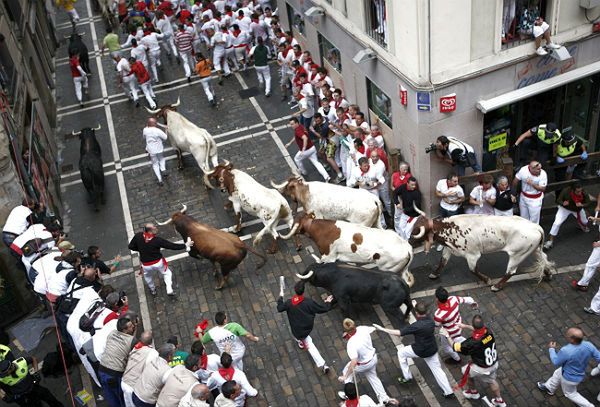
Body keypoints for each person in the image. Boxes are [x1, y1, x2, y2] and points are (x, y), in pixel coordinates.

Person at [374, 302, 454, 398]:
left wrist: (383, 329)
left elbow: (399, 332)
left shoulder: (416, 326)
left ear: (416, 313)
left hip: (420, 350)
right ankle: (448, 392)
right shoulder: (431, 321)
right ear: (427, 312)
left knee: (401, 353)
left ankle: (407, 377)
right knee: (438, 371)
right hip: (432, 349)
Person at [337, 319, 398, 406]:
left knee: (347, 371)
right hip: (373, 359)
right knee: (373, 378)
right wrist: (380, 328)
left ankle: (348, 394)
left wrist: (345, 376)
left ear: (347, 331)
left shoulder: (351, 344)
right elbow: (373, 328)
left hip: (362, 365)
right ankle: (384, 398)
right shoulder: (362, 328)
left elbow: (354, 362)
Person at [277, 280, 333, 374]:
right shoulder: (309, 302)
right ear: (303, 291)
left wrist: (281, 297)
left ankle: (301, 343)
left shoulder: (289, 303)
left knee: (304, 342)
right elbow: (323, 309)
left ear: (295, 291)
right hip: (307, 328)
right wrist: (327, 302)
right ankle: (323, 365)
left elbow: (279, 308)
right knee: (309, 345)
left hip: (296, 330)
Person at [537, 327, 600, 407]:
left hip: (569, 377)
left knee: (571, 394)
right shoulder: (589, 345)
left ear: (572, 339)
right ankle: (549, 387)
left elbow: (556, 362)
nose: (566, 336)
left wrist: (552, 349)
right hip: (576, 371)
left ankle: (588, 406)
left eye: (568, 335)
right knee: (557, 373)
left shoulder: (566, 350)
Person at [452, 315, 506, 407]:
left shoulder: (472, 342)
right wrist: (465, 326)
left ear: (473, 325)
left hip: (482, 367)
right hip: (494, 363)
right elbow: (477, 329)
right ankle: (499, 400)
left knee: (466, 372)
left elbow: (456, 347)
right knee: (492, 381)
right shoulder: (488, 331)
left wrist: (447, 336)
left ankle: (473, 393)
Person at [128, 222, 193, 295]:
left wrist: (141, 249)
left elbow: (130, 246)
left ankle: (153, 290)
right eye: (154, 227)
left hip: (146, 265)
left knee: (147, 276)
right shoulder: (157, 240)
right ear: (150, 231)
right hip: (158, 263)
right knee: (167, 273)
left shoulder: (138, 236)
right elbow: (172, 246)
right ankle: (169, 288)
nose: (156, 227)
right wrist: (186, 245)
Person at [98, 317, 137, 407]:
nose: (133, 327)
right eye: (131, 326)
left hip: (101, 369)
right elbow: (133, 344)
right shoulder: (132, 341)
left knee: (110, 396)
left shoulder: (111, 334)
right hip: (114, 375)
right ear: (124, 330)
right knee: (121, 398)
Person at [433, 286, 477, 363]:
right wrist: (473, 302)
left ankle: (457, 359)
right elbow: (467, 299)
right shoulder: (453, 299)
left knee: (447, 348)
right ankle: (470, 346)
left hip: (449, 332)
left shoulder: (438, 314)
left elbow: (437, 324)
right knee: (458, 339)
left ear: (437, 299)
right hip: (459, 325)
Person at [544, 183, 590, 251]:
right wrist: (563, 203)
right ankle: (550, 241)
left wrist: (582, 205)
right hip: (565, 209)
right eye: (578, 191)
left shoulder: (584, 193)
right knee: (557, 223)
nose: (580, 193)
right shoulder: (566, 191)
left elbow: (588, 203)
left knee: (585, 221)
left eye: (580, 191)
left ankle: (582, 225)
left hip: (577, 210)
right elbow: (558, 200)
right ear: (573, 190)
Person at [285, 117, 331, 182]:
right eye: (290, 124)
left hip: (306, 151)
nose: (291, 126)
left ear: (296, 123)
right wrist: (289, 143)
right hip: (312, 148)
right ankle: (327, 177)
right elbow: (296, 136)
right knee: (316, 163)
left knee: (297, 159)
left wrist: (303, 149)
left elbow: (305, 138)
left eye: (292, 124)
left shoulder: (297, 130)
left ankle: (303, 172)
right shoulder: (300, 126)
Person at [347, 157, 388, 229]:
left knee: (378, 207)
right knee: (364, 208)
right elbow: (349, 183)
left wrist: (376, 183)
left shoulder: (373, 169)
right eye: (364, 166)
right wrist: (358, 183)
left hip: (373, 190)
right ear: (360, 166)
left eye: (367, 165)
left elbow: (382, 179)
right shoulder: (355, 171)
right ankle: (366, 224)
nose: (366, 167)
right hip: (362, 191)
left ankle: (383, 225)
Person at [121, 331, 155, 407]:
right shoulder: (152, 353)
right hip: (133, 386)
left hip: (124, 382)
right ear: (151, 341)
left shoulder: (135, 348)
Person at [142, 118, 169, 186]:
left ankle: (160, 180)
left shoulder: (145, 130)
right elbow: (165, 137)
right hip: (159, 148)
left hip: (151, 150)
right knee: (161, 158)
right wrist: (166, 129)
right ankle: (163, 169)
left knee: (155, 164)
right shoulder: (158, 130)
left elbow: (144, 137)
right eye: (155, 123)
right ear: (154, 124)